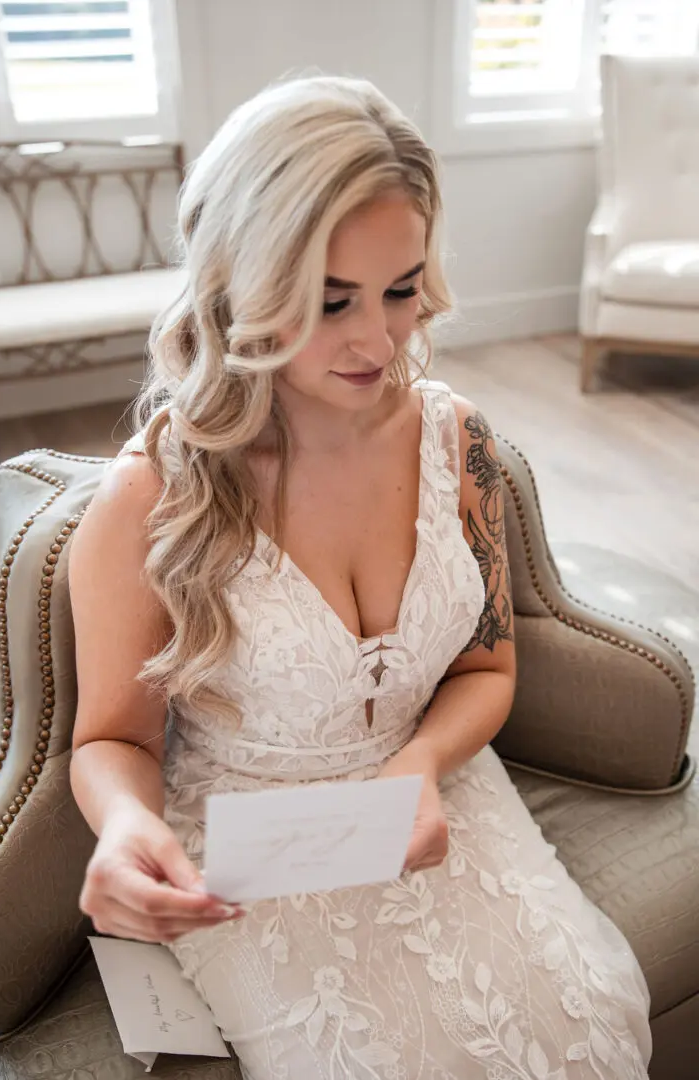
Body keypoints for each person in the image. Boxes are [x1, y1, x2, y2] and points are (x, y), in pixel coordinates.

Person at [68, 75, 651, 1079]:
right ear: (238, 281)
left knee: (586, 1020)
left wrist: (414, 771)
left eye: (402, 287)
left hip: (432, 795)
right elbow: (111, 738)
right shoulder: (151, 498)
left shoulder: (456, 442)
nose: (379, 340)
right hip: (253, 853)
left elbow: (483, 668)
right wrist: (123, 827)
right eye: (331, 301)